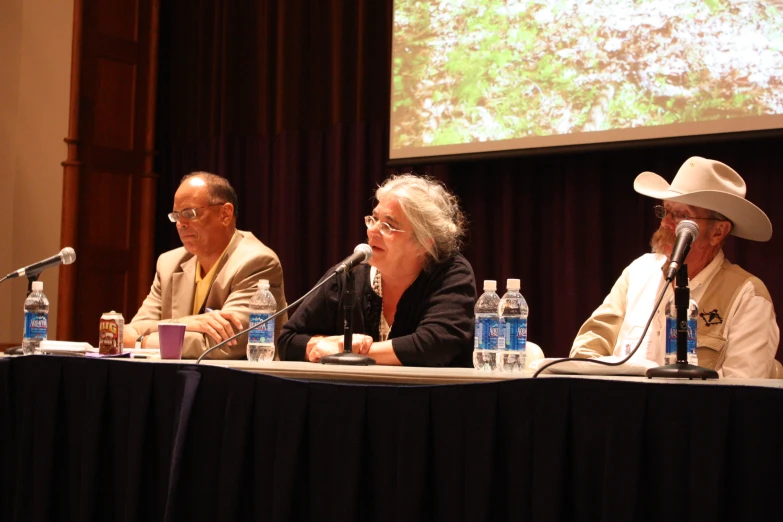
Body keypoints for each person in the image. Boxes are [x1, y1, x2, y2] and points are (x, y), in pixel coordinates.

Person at [570, 156, 779, 378]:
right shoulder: (639, 271)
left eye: (681, 215)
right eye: (666, 211)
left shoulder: (747, 296)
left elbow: (742, 389)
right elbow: (589, 345)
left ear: (718, 232)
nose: (665, 223)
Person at [277, 174, 476, 366]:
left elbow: (433, 346)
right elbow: (288, 340)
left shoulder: (451, 274)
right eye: (373, 219)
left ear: (423, 243)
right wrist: (325, 344)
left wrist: (346, 353)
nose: (372, 231)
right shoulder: (348, 274)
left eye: (388, 226)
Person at [123, 172, 287, 359]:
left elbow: (224, 344)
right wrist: (189, 322)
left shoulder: (257, 262)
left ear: (225, 214)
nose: (180, 224)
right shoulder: (169, 263)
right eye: (176, 215)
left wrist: (141, 342)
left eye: (189, 214)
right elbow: (134, 327)